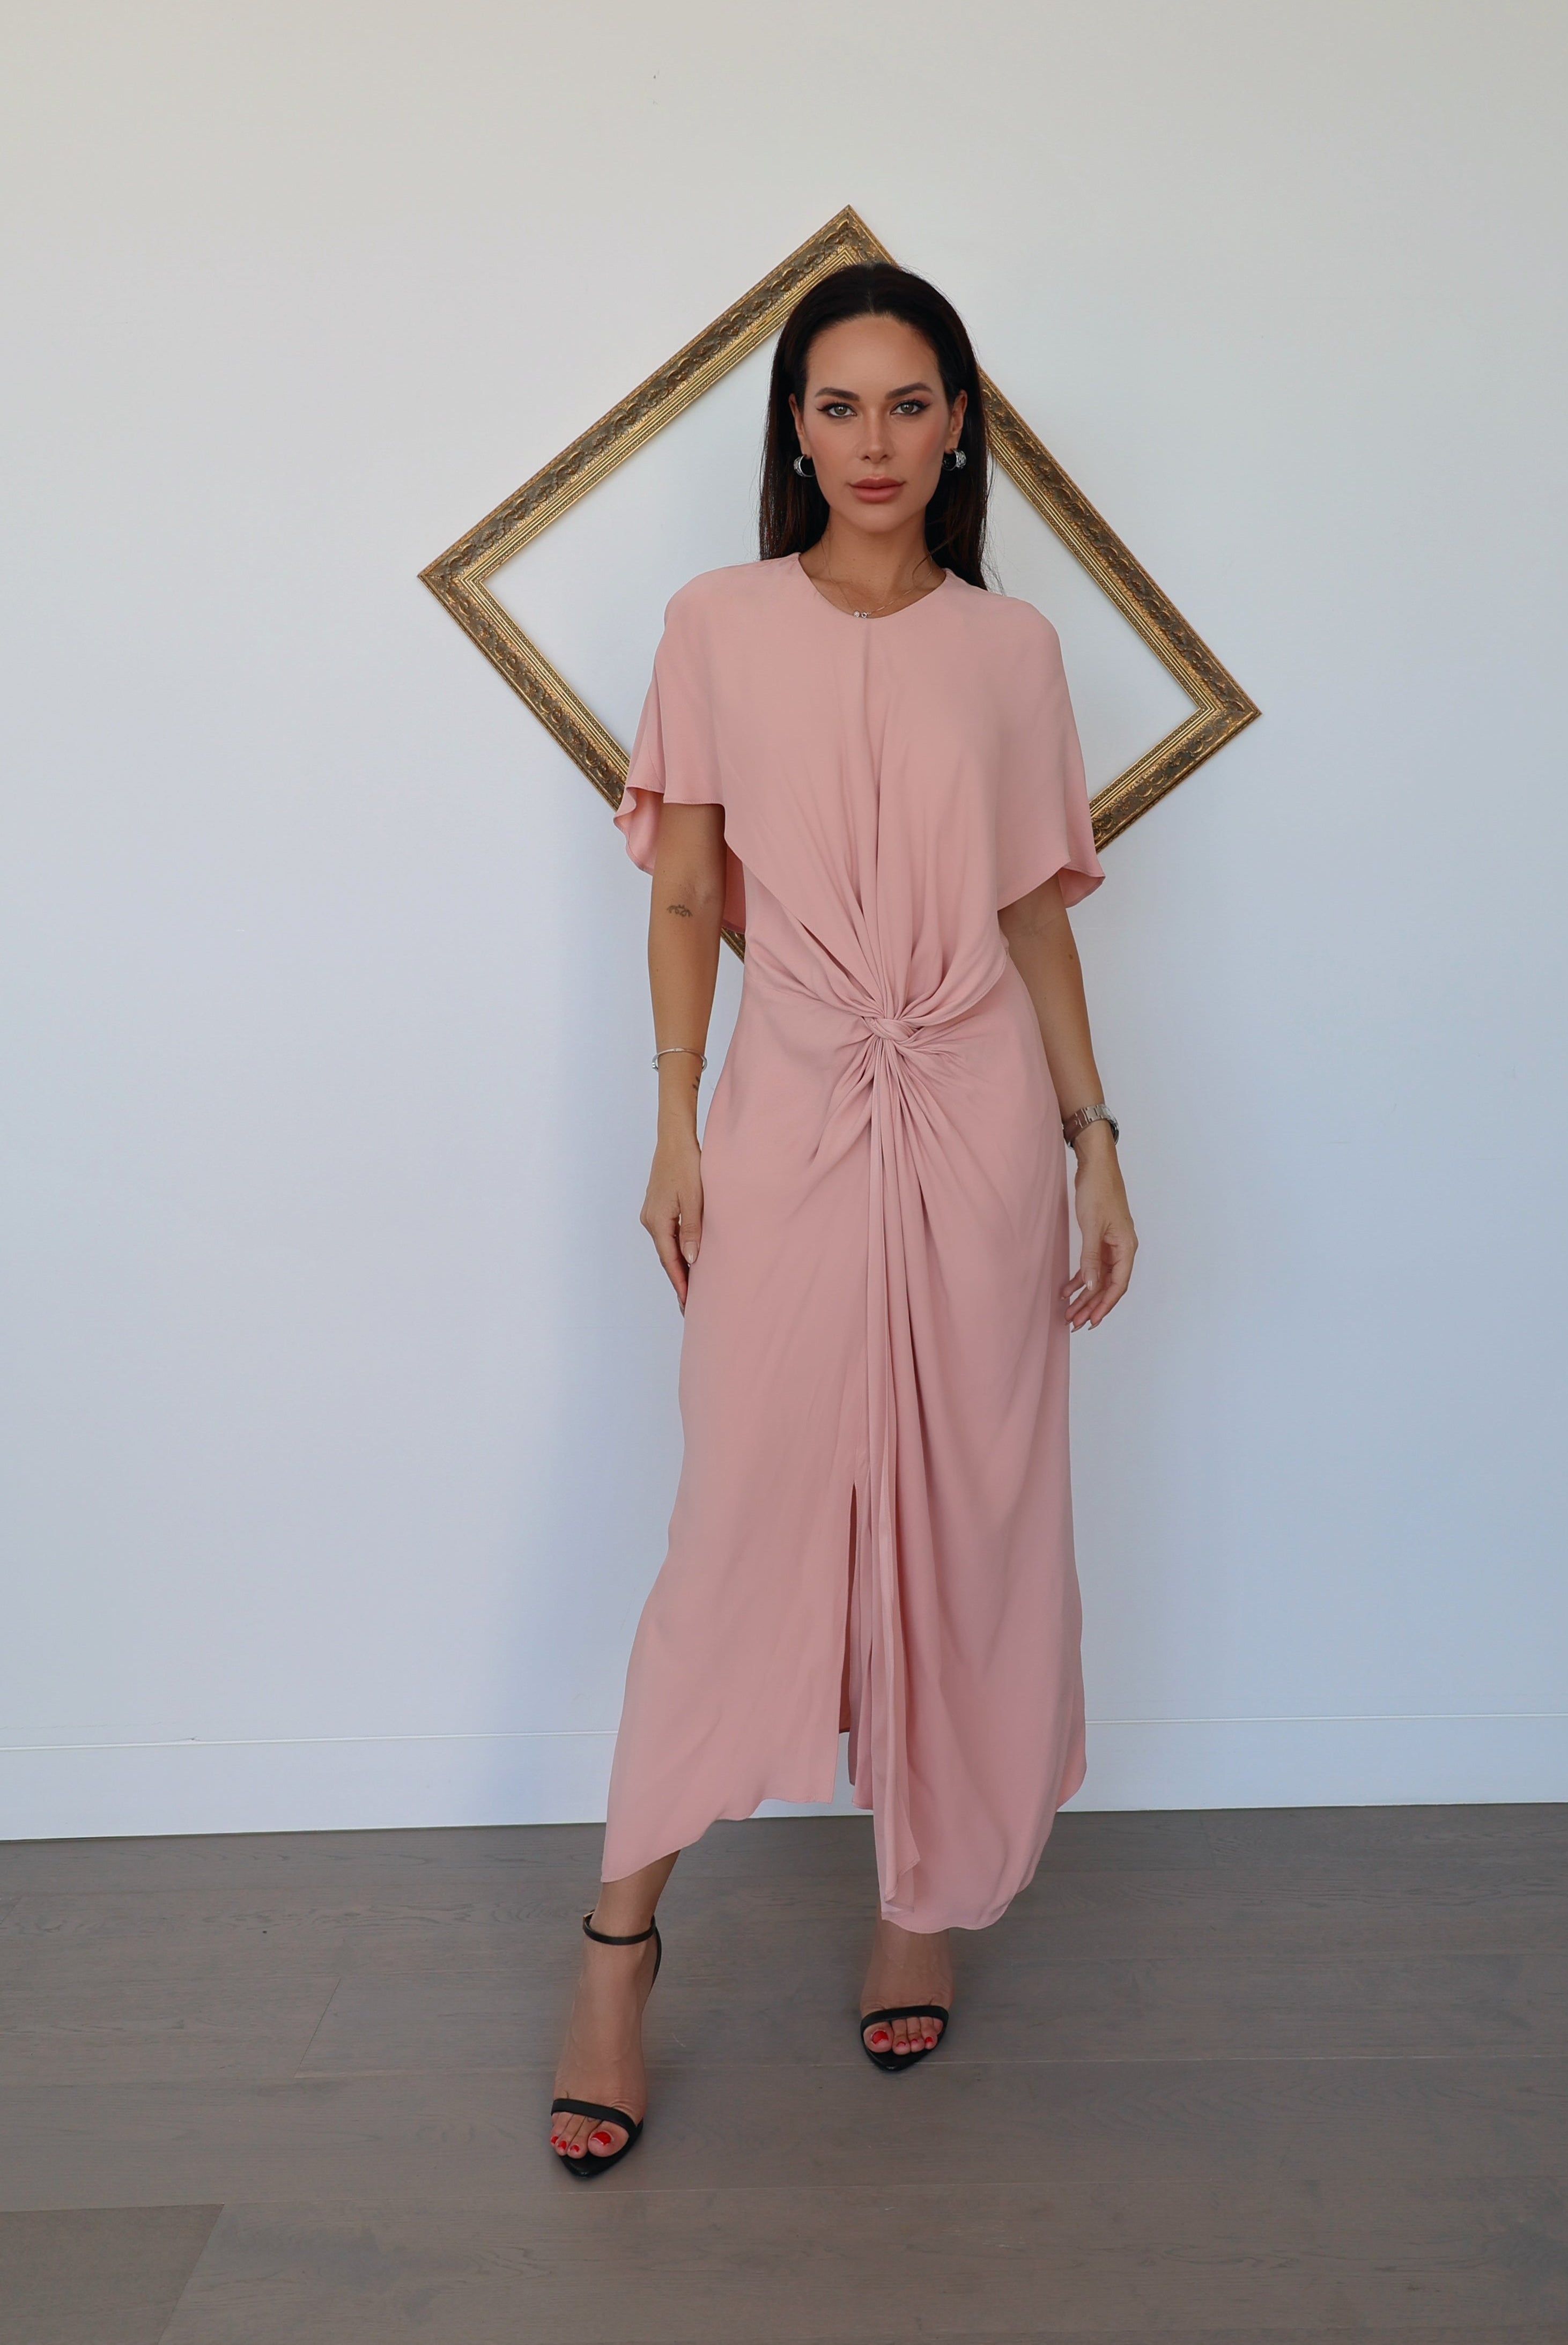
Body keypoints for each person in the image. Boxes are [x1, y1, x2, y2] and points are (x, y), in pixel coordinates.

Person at [549, 262, 1138, 2174]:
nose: (872, 441)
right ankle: (617, 1952)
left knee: (966, 1514)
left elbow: (1031, 907)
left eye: (908, 403)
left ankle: (923, 1891)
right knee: (739, 1521)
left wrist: (1095, 1138)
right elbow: (682, 888)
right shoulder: (716, 625)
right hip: (791, 1110)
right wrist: (674, 1123)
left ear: (959, 426)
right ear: (792, 429)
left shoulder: (1014, 651)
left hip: (976, 1123)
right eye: (836, 404)